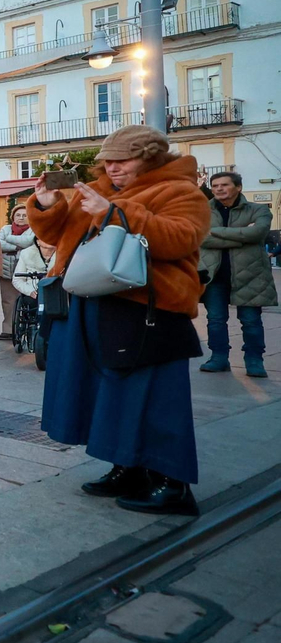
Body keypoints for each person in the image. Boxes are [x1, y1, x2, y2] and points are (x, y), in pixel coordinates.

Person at [30, 125, 209, 517]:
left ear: (148, 157)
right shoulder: (100, 191)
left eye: (121, 161)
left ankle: (171, 483)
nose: (111, 168)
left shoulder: (180, 190)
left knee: (154, 397)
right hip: (93, 303)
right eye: (107, 161)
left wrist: (116, 213)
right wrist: (47, 204)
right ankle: (127, 466)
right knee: (106, 392)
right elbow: (59, 235)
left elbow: (182, 238)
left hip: (148, 310)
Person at [199, 171, 275, 377]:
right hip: (215, 276)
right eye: (215, 186)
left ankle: (254, 360)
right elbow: (199, 237)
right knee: (215, 320)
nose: (219, 189)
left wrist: (216, 231)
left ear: (238, 187)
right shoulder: (202, 211)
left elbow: (258, 233)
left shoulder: (259, 210)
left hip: (250, 275)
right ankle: (218, 358)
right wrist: (242, 234)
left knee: (250, 321)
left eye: (224, 185)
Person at [0, 204, 36, 341]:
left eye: (25, 215)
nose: (21, 218)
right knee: (8, 301)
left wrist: (10, 241)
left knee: (27, 299)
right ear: (13, 217)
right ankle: (8, 330)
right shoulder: (6, 228)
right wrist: (18, 246)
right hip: (6, 269)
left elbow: (28, 242)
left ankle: (28, 327)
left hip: (27, 270)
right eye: (18, 215)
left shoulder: (34, 229)